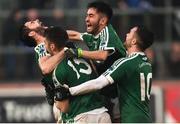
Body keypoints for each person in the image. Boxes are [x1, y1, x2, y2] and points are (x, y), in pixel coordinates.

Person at [56, 26, 154, 123]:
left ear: (133, 42)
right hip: (145, 118)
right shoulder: (146, 63)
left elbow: (98, 83)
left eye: (130, 33)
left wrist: (70, 91)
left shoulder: (126, 63)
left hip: (131, 120)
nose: (126, 34)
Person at [66, 1, 126, 121]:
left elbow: (102, 55)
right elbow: (75, 35)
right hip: (107, 88)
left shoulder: (107, 32)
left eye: (91, 16)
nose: (86, 19)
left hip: (122, 90)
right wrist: (50, 33)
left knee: (118, 120)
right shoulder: (93, 36)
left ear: (103, 21)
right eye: (87, 15)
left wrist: (79, 52)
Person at [44, 26, 111, 123]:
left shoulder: (58, 71)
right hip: (102, 114)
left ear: (52, 46)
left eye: (45, 43)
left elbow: (64, 108)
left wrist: (56, 98)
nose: (44, 46)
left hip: (81, 117)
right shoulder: (86, 58)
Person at [20, 19, 66, 122]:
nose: (36, 20)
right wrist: (66, 51)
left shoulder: (52, 40)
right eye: (32, 22)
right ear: (32, 33)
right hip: (65, 102)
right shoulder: (41, 47)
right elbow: (45, 68)